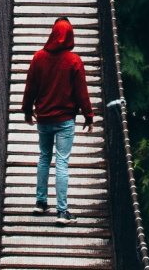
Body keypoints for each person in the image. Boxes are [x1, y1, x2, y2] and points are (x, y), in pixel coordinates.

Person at [21, 17, 93, 222]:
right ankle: (62, 211)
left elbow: (30, 87)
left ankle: (40, 202)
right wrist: (88, 115)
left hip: (43, 118)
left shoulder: (38, 58)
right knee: (62, 162)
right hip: (65, 121)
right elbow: (82, 92)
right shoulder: (74, 61)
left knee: (44, 157)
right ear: (70, 36)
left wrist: (27, 110)